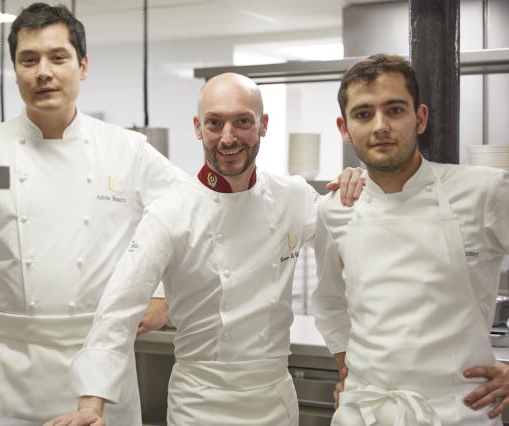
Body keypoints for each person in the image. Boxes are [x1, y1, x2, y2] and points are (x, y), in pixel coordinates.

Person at [0, 3, 189, 424]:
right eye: (28, 60)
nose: (42, 71)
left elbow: (192, 215)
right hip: (4, 372)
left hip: (99, 373)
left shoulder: (126, 150)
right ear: (15, 72)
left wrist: (163, 295)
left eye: (57, 57)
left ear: (82, 66)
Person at [45, 72, 365, 426]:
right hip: (198, 403)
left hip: (272, 399)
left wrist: (361, 181)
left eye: (242, 122)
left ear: (263, 125)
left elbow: (354, 245)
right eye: (215, 123)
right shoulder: (170, 211)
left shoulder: (293, 197)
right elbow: (119, 309)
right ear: (198, 127)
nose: (228, 138)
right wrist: (92, 405)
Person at [311, 53, 509, 425]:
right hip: (366, 413)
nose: (380, 126)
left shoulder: (484, 193)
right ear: (344, 128)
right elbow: (329, 302)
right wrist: (350, 372)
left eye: (395, 110)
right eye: (363, 114)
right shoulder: (335, 208)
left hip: (460, 410)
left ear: (419, 118)